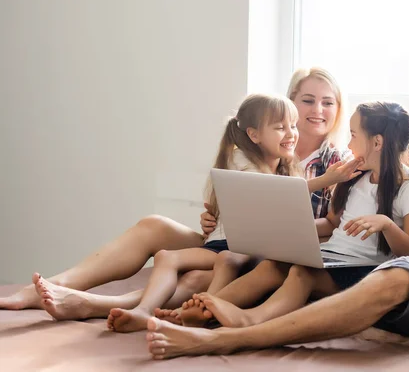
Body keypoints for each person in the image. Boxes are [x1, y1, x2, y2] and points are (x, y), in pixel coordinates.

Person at [144, 40, 409, 359]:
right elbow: (357, 208)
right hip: (406, 285)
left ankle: (227, 340)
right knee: (301, 270)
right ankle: (198, 315)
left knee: (399, 271)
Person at [0, 67, 352, 312]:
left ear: (337, 110)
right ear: (289, 102)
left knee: (204, 272)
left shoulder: (338, 162)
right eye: (307, 100)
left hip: (269, 260)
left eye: (327, 102)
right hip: (232, 242)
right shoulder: (253, 153)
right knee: (154, 225)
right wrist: (218, 216)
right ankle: (55, 285)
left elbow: (334, 230)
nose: (317, 110)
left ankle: (94, 305)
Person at [180, 101, 409, 330]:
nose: (348, 143)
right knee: (272, 265)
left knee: (302, 274)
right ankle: (205, 307)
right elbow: (332, 224)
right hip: (331, 259)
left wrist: (387, 225)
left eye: (354, 135)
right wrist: (293, 230)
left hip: (364, 271)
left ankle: (249, 319)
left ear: (377, 142)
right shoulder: (354, 178)